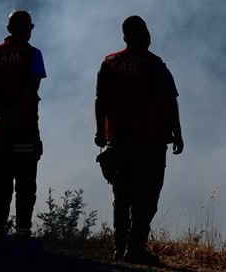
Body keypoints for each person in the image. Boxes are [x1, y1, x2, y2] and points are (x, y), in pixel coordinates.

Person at [94, 15, 184, 264]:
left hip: (118, 140)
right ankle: (135, 248)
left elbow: (100, 100)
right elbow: (169, 101)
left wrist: (101, 132)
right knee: (147, 197)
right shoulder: (154, 64)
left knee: (122, 196)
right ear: (144, 35)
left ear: (125, 37)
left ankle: (119, 247)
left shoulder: (109, 62)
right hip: (150, 140)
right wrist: (177, 133)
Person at [0, 8, 46, 243]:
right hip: (25, 126)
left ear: (9, 29)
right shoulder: (33, 54)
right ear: (27, 29)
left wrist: (2, 114)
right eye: (30, 27)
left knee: (1, 181)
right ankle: (23, 232)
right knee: (25, 182)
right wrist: (15, 114)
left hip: (0, 128)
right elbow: (32, 88)